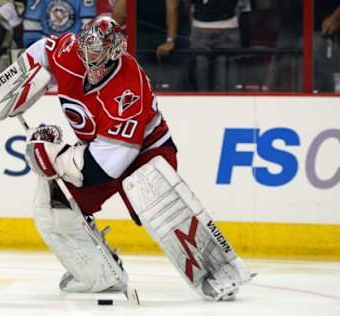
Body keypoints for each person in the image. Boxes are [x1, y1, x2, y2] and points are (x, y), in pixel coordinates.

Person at [19, 16, 252, 300]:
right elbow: (43, 49)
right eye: (87, 48)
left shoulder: (128, 88)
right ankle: (99, 275)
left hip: (146, 151)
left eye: (98, 51)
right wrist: (18, 82)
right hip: (99, 148)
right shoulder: (70, 51)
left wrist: (55, 159)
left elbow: (108, 165)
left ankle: (217, 268)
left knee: (152, 193)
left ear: (114, 52)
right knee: (56, 204)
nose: (89, 56)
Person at [156, 0, 251, 91]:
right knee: (202, 82)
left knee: (225, 83)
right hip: (200, 30)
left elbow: (244, 9)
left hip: (227, 30)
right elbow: (179, 5)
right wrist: (170, 39)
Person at [22, 0, 97, 48]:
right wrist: (36, 50)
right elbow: (32, 31)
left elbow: (88, 28)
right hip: (45, 48)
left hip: (75, 48)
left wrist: (78, 49)